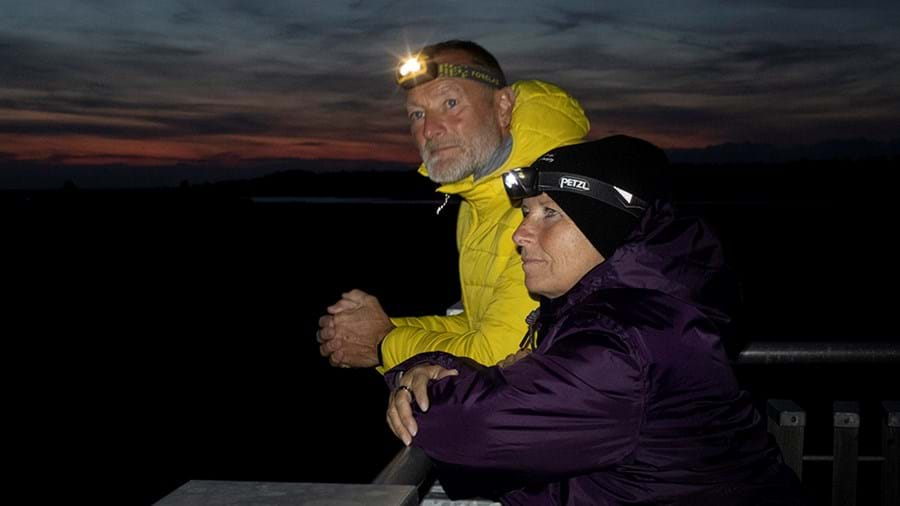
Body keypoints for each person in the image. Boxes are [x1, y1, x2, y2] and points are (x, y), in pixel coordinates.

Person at [384, 136, 807, 504]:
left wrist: (423, 380)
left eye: (549, 213)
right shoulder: (623, 313)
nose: (520, 234)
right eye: (526, 212)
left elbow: (472, 427)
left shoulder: (626, 341)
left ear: (610, 230)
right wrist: (433, 371)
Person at [317, 40, 590, 372]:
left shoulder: (555, 204)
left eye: (450, 103)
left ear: (503, 107)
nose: (430, 130)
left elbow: (503, 357)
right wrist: (375, 329)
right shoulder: (477, 203)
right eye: (417, 114)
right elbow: (477, 326)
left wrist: (381, 342)